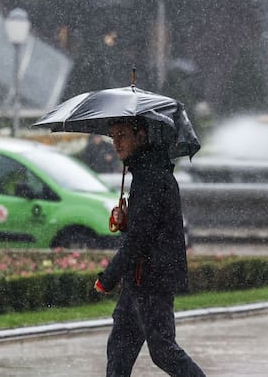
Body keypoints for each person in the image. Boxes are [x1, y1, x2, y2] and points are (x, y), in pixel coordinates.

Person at [94, 117, 205, 377]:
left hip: (152, 280)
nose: (116, 142)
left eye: (122, 135)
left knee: (163, 350)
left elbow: (139, 240)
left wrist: (108, 278)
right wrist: (125, 222)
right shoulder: (145, 173)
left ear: (141, 136)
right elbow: (145, 228)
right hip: (140, 279)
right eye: (113, 136)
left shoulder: (152, 178)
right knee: (120, 349)